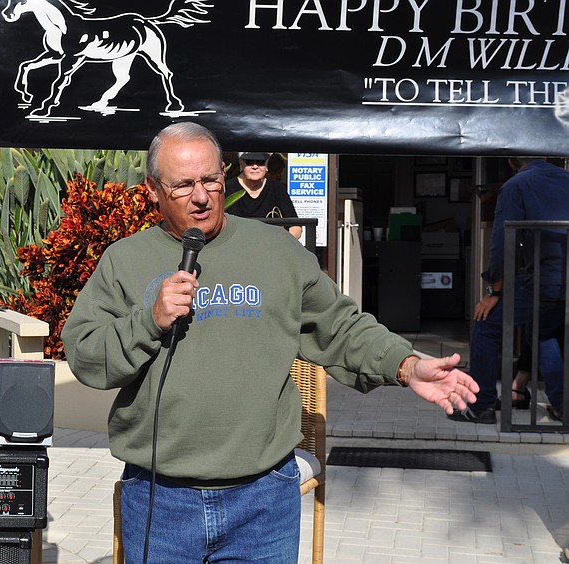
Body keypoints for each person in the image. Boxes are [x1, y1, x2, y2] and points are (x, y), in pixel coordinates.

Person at [61, 122, 480, 563]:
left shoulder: (276, 252)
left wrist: (406, 364)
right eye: (183, 185)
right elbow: (87, 356)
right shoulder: (124, 260)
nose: (202, 196)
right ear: (152, 189)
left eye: (210, 179)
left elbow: (340, 326)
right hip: (160, 499)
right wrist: (148, 320)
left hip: (263, 499)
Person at [457, 156, 569, 424]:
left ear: (510, 162)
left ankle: (481, 405)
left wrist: (494, 291)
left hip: (544, 279)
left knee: (486, 325)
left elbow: (502, 242)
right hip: (563, 279)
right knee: (542, 330)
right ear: (543, 156)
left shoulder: (517, 185)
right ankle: (562, 406)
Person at [225, 151, 303, 239]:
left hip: (272, 245)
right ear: (241, 164)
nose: (255, 167)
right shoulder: (228, 188)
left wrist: (282, 244)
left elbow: (295, 226)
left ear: (266, 165)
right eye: (249, 162)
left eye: (260, 162)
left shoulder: (276, 188)